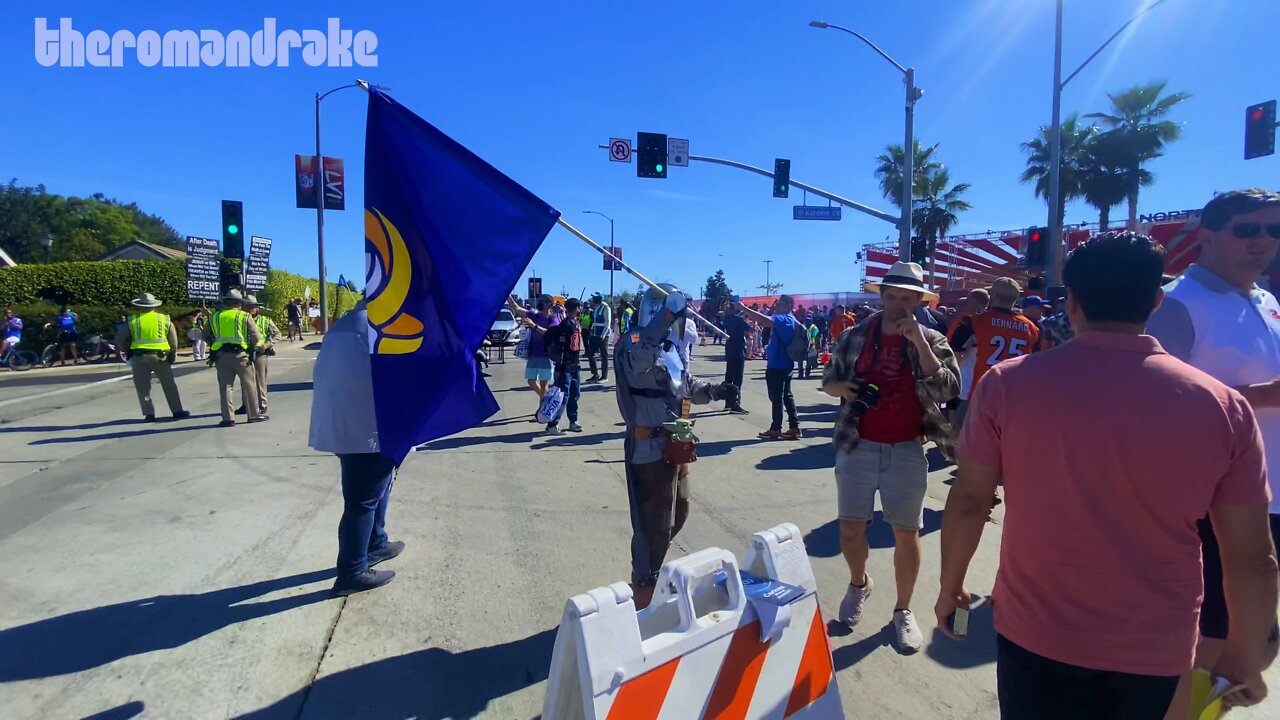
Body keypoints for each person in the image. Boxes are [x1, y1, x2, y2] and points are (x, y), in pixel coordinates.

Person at [937, 232, 1278, 719]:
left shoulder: (1007, 386)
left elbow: (970, 501)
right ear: (1156, 302)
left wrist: (951, 587)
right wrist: (1244, 656)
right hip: (1158, 645)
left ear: (1071, 301)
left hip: (1036, 633)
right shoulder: (1224, 405)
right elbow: (1252, 558)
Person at [1146, 188, 1280, 716]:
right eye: (1248, 229)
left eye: (1274, 231)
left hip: (1270, 497)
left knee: (1258, 647)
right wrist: (1261, 398)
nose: (1264, 242)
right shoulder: (1179, 304)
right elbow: (1154, 405)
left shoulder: (1267, 301)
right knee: (1211, 645)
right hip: (1217, 504)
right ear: (1207, 235)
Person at [820, 260, 960, 653]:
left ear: (918, 301)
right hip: (857, 443)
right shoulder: (854, 335)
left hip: (907, 447)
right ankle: (859, 584)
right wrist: (841, 389)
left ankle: (903, 611)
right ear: (881, 296)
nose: (898, 304)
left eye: (907, 298)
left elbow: (949, 389)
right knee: (850, 529)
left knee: (906, 532)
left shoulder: (930, 338)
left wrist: (918, 342)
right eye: (892, 296)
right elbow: (828, 379)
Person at [615, 284, 739, 609]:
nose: (679, 321)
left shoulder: (670, 347)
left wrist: (714, 391)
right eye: (672, 313)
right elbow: (640, 366)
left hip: (675, 442)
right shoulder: (635, 341)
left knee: (678, 513)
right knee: (652, 523)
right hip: (648, 446)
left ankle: (650, 570)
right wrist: (668, 314)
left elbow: (684, 388)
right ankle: (644, 585)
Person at [308, 300, 404, 596]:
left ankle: (376, 542)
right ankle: (352, 571)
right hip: (368, 429)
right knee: (362, 501)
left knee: (377, 491)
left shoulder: (346, 324)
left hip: (346, 425)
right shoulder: (380, 326)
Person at [949, 278, 1040, 390]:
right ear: (1016, 299)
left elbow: (954, 354)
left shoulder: (974, 322)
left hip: (983, 390)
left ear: (993, 295)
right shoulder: (1031, 327)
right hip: (1015, 391)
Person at [115, 293, 190, 422]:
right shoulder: (165, 320)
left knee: (142, 387)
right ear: (154, 306)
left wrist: (127, 351)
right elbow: (173, 342)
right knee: (169, 385)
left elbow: (119, 339)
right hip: (160, 357)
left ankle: (149, 414)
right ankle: (177, 411)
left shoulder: (132, 321)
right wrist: (172, 355)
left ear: (139, 306)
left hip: (139, 356)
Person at [738, 295, 802, 440]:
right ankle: (794, 427)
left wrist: (744, 309)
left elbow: (764, 320)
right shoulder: (792, 320)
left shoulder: (783, 319)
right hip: (786, 363)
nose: (776, 307)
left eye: (779, 304)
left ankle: (776, 428)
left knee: (776, 397)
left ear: (787, 305)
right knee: (786, 395)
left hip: (777, 365)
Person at [204, 289, 263, 427]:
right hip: (241, 355)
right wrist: (255, 347)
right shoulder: (243, 316)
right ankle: (253, 415)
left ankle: (228, 418)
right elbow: (256, 336)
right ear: (239, 303)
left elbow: (205, 335)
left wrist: (213, 344)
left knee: (225, 387)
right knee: (249, 385)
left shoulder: (215, 317)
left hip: (221, 355)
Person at [507, 293, 560, 418]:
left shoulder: (552, 319)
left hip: (545, 355)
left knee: (543, 384)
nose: (540, 303)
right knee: (531, 381)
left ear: (549, 304)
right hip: (533, 354)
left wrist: (534, 326)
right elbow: (518, 310)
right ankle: (545, 402)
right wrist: (511, 301)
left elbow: (550, 333)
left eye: (543, 301)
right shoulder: (535, 315)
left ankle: (542, 410)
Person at [542, 297, 585, 434]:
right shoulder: (565, 326)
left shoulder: (576, 324)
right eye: (579, 307)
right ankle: (552, 424)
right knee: (562, 396)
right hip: (565, 367)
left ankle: (573, 421)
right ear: (576, 308)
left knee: (575, 395)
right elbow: (560, 348)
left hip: (575, 365)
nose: (581, 309)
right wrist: (558, 368)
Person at [240, 296, 282, 417]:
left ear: (257, 308)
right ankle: (246, 404)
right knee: (245, 380)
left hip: (260, 353)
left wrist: (268, 345)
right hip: (246, 351)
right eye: (248, 307)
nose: (250, 309)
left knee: (260, 380)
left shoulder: (265, 320)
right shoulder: (241, 319)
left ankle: (262, 405)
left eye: (253, 307)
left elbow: (277, 334)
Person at [720, 301, 751, 414]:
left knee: (729, 377)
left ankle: (728, 402)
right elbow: (749, 328)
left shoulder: (727, 319)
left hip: (730, 350)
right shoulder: (738, 319)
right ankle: (735, 403)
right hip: (738, 350)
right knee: (738, 379)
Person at [585, 292, 612, 383]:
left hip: (602, 336)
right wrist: (592, 329)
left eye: (595, 297)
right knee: (590, 353)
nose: (593, 299)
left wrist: (603, 336)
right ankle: (595, 374)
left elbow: (607, 323)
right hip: (595, 334)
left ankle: (604, 376)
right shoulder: (597, 307)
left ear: (600, 298)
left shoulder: (606, 308)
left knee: (604, 355)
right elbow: (595, 321)